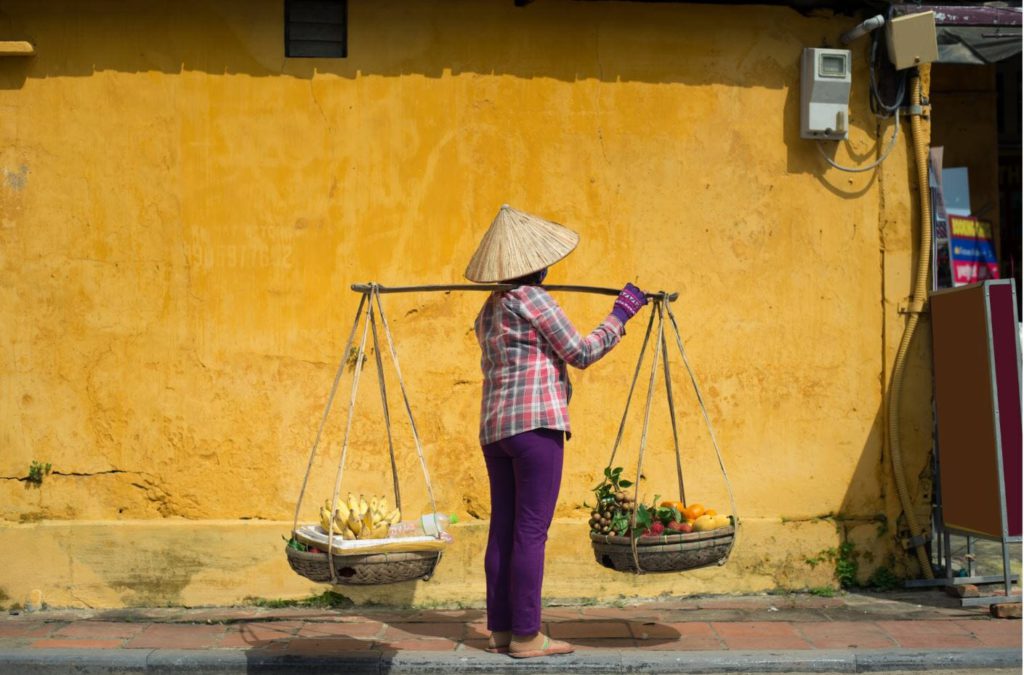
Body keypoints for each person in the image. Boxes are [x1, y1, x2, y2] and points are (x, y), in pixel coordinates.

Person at [464, 204, 648, 659]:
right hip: (536, 427)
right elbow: (580, 352)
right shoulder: (535, 299)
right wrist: (620, 316)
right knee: (531, 530)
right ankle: (527, 636)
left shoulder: (487, 311)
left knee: (504, 528)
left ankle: (501, 631)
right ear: (536, 266)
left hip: (495, 429)